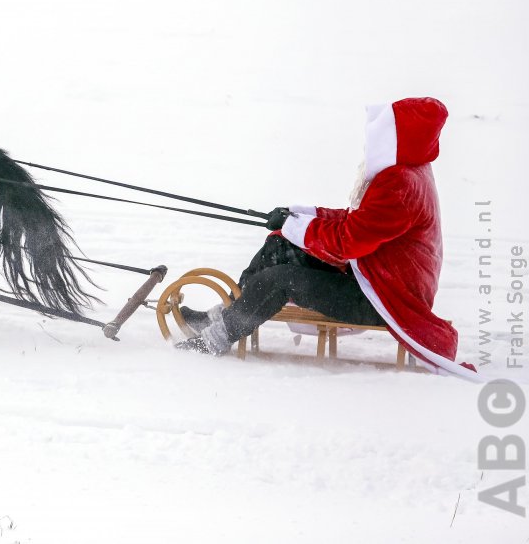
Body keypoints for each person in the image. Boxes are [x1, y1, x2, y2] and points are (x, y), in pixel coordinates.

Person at [178, 97, 481, 381]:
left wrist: (296, 226)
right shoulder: (407, 171)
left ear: (397, 139)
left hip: (383, 298)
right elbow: (357, 221)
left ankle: (217, 339)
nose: (370, 143)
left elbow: (348, 241)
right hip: (369, 276)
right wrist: (297, 216)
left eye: (379, 134)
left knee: (280, 279)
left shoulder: (400, 185)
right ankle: (227, 315)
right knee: (279, 244)